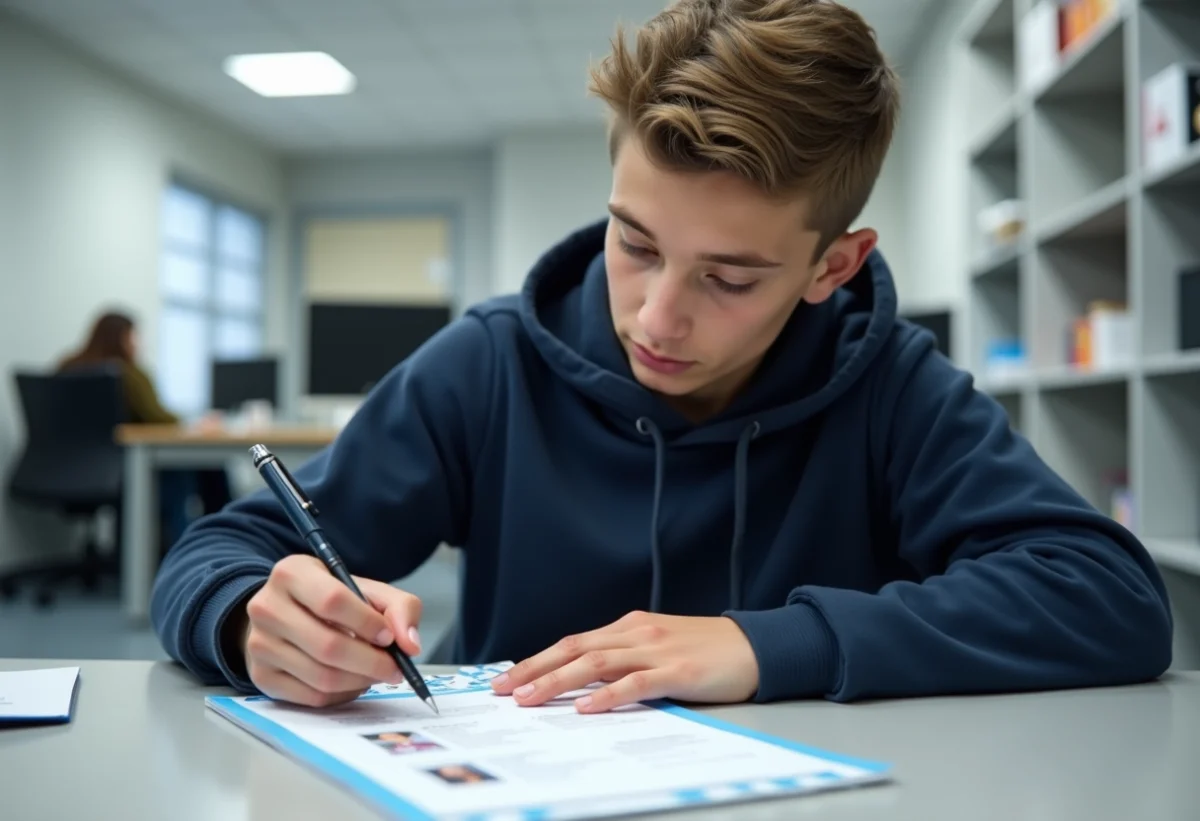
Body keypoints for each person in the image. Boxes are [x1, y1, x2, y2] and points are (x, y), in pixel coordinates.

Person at [151, 0, 1173, 713]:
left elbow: (1110, 597)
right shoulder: (491, 363)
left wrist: (767, 642)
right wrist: (251, 618)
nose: (657, 318)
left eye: (729, 278)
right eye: (634, 244)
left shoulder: (895, 386)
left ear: (833, 264)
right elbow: (212, 553)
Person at [59, 310, 232, 547]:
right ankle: (207, 549)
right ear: (123, 337)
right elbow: (160, 418)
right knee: (205, 467)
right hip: (122, 470)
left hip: (63, 471)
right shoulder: (128, 372)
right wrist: (197, 424)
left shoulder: (66, 367)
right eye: (134, 336)